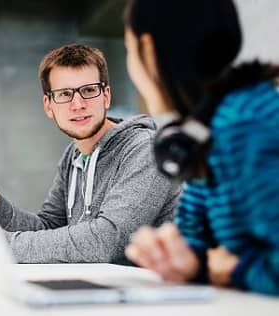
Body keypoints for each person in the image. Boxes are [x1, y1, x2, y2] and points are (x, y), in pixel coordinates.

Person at [0, 44, 181, 265]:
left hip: (151, 294)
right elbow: (49, 228)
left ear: (106, 96)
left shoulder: (146, 149)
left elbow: (107, 241)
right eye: (64, 94)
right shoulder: (74, 155)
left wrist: (3, 245)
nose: (78, 104)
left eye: (88, 90)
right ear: (48, 106)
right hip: (99, 288)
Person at [123, 0, 279, 295]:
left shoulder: (244, 124)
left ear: (148, 48)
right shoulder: (201, 131)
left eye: (129, 50)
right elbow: (198, 242)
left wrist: (231, 269)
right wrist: (183, 258)